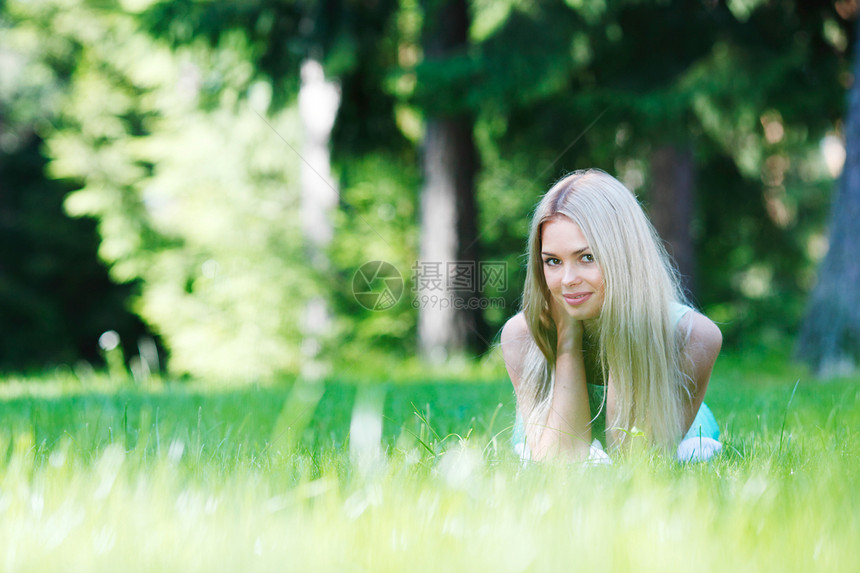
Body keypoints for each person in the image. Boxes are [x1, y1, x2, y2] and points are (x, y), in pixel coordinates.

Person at [500, 169, 723, 463]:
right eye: (553, 261)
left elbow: (634, 461)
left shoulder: (693, 335)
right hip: (550, 435)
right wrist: (567, 340)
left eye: (587, 257)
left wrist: (622, 330)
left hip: (676, 436)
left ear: (624, 256)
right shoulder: (521, 336)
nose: (567, 279)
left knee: (685, 455)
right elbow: (558, 462)